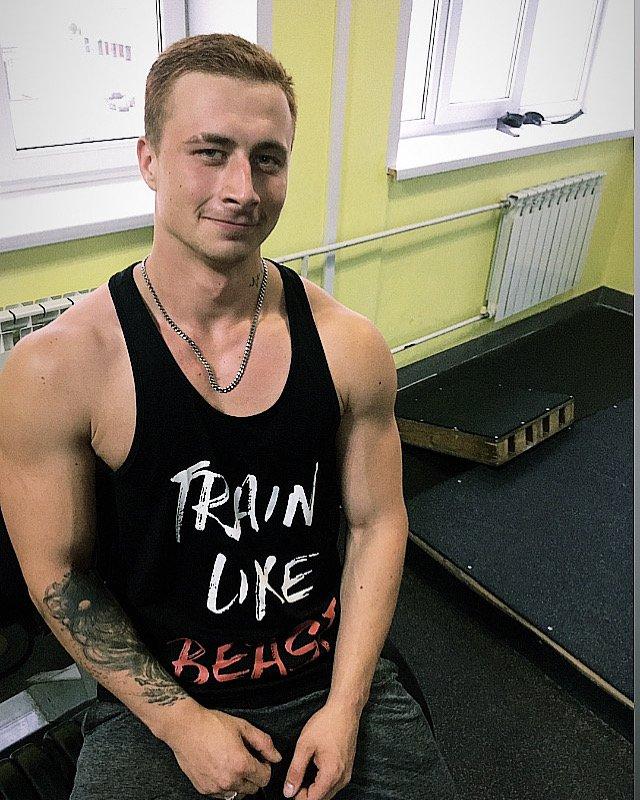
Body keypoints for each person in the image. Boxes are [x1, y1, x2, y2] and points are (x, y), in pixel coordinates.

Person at [0, 34, 457, 800]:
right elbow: (57, 574)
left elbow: (377, 523)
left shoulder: (348, 346)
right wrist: (180, 724)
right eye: (210, 153)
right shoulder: (58, 369)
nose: (242, 189)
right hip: (160, 696)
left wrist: (345, 707)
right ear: (149, 160)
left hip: (331, 675)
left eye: (267, 159)